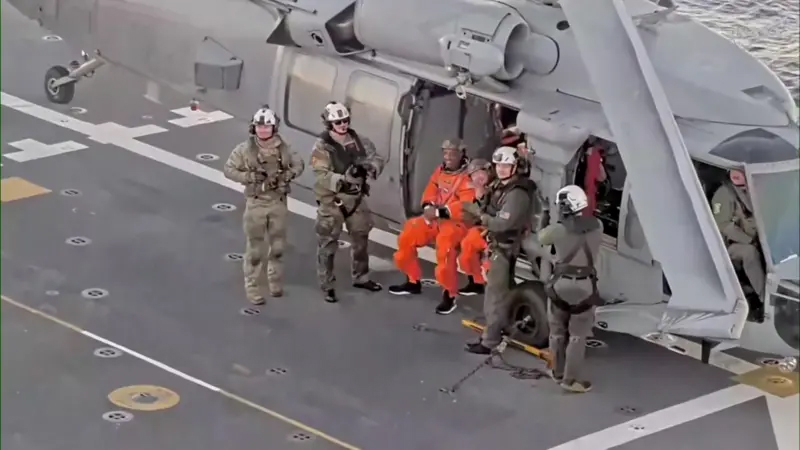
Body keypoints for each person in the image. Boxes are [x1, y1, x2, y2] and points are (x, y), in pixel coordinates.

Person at [223, 106, 305, 305]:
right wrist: (249, 177)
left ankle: (274, 281)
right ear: (254, 128)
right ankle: (252, 286)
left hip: (278, 202)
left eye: (267, 127)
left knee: (278, 247)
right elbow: (229, 169)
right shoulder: (245, 149)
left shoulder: (284, 148)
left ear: (273, 128)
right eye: (260, 126)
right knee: (255, 250)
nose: (263, 130)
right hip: (256, 203)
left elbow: (299, 164)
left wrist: (287, 175)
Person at [310, 102, 385, 303]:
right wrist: (344, 179)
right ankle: (327, 285)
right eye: (338, 122)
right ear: (329, 124)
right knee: (327, 244)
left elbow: (377, 158)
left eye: (345, 120)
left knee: (361, 238)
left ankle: (361, 276)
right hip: (333, 200)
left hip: (356, 199)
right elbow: (321, 174)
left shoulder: (360, 141)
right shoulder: (322, 147)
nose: (343, 125)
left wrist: (370, 167)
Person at [388, 139, 474, 315]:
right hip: (436, 217)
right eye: (445, 153)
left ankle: (449, 295)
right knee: (409, 233)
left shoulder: (469, 177)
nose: (448, 157)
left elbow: (466, 206)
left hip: (456, 222)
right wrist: (428, 206)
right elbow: (431, 189)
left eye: (452, 153)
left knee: (445, 249)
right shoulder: (440, 171)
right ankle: (412, 281)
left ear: (461, 155)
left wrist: (440, 212)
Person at [464, 146, 536, 355]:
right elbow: (489, 209)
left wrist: (481, 217)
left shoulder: (517, 194)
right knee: (500, 292)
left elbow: (502, 224)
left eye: (506, 165)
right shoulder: (501, 186)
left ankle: (490, 341)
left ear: (515, 167)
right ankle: (501, 327)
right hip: (496, 244)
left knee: (495, 296)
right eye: (498, 165)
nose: (501, 169)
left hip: (503, 247)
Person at [539, 185, 603, 393]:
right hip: (585, 286)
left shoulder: (558, 230)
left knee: (556, 331)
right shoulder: (598, 226)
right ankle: (571, 380)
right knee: (578, 336)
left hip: (560, 285)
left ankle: (555, 371)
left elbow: (541, 237)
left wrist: (546, 213)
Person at [711, 168, 765, 301]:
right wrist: (748, 240)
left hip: (755, 237)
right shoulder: (724, 194)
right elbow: (723, 225)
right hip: (730, 246)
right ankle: (764, 296)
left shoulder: (753, 189)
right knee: (750, 253)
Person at [456, 158, 493, 296]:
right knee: (466, 253)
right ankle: (476, 283)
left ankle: (491, 287)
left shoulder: (497, 188)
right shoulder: (476, 191)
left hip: (495, 229)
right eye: (473, 175)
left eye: (480, 172)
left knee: (489, 259)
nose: (478, 177)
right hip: (483, 227)